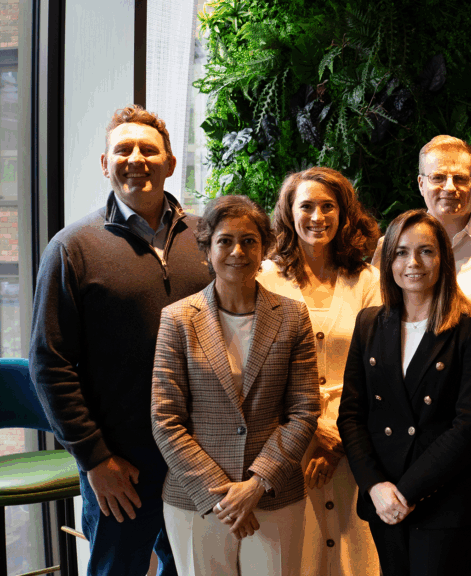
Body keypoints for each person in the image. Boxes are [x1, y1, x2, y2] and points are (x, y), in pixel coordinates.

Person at [29, 104, 212, 575]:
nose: (136, 159)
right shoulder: (72, 249)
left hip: (202, 459)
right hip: (121, 467)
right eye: (123, 149)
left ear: (170, 163)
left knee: (193, 569)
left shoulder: (208, 240)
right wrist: (95, 460)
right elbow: (49, 363)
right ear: (105, 164)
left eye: (148, 150)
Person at [151, 195, 320, 576]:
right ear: (207, 249)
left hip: (273, 495)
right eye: (225, 241)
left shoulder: (293, 316)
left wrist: (256, 484)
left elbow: (304, 410)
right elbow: (165, 420)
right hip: (197, 500)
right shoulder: (177, 319)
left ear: (264, 249)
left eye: (249, 241)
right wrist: (224, 495)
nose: (237, 251)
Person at [338, 209, 471, 576]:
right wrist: (375, 486)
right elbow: (351, 414)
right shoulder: (369, 323)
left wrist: (406, 492)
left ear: (443, 259)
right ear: (388, 261)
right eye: (401, 252)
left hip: (442, 498)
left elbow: (470, 425)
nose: (413, 263)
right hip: (383, 497)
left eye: (426, 251)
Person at [257, 167, 382, 576]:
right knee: (298, 555)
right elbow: (261, 372)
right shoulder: (265, 278)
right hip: (288, 441)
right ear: (288, 213)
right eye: (306, 206)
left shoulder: (367, 279)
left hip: (354, 439)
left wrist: (338, 439)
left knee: (355, 553)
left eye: (328, 206)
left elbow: (378, 367)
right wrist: (312, 430)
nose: (317, 217)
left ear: (344, 214)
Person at [372, 134, 471, 310]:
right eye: (438, 177)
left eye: (460, 178)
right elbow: (378, 313)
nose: (450, 187)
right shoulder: (391, 245)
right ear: (421, 184)